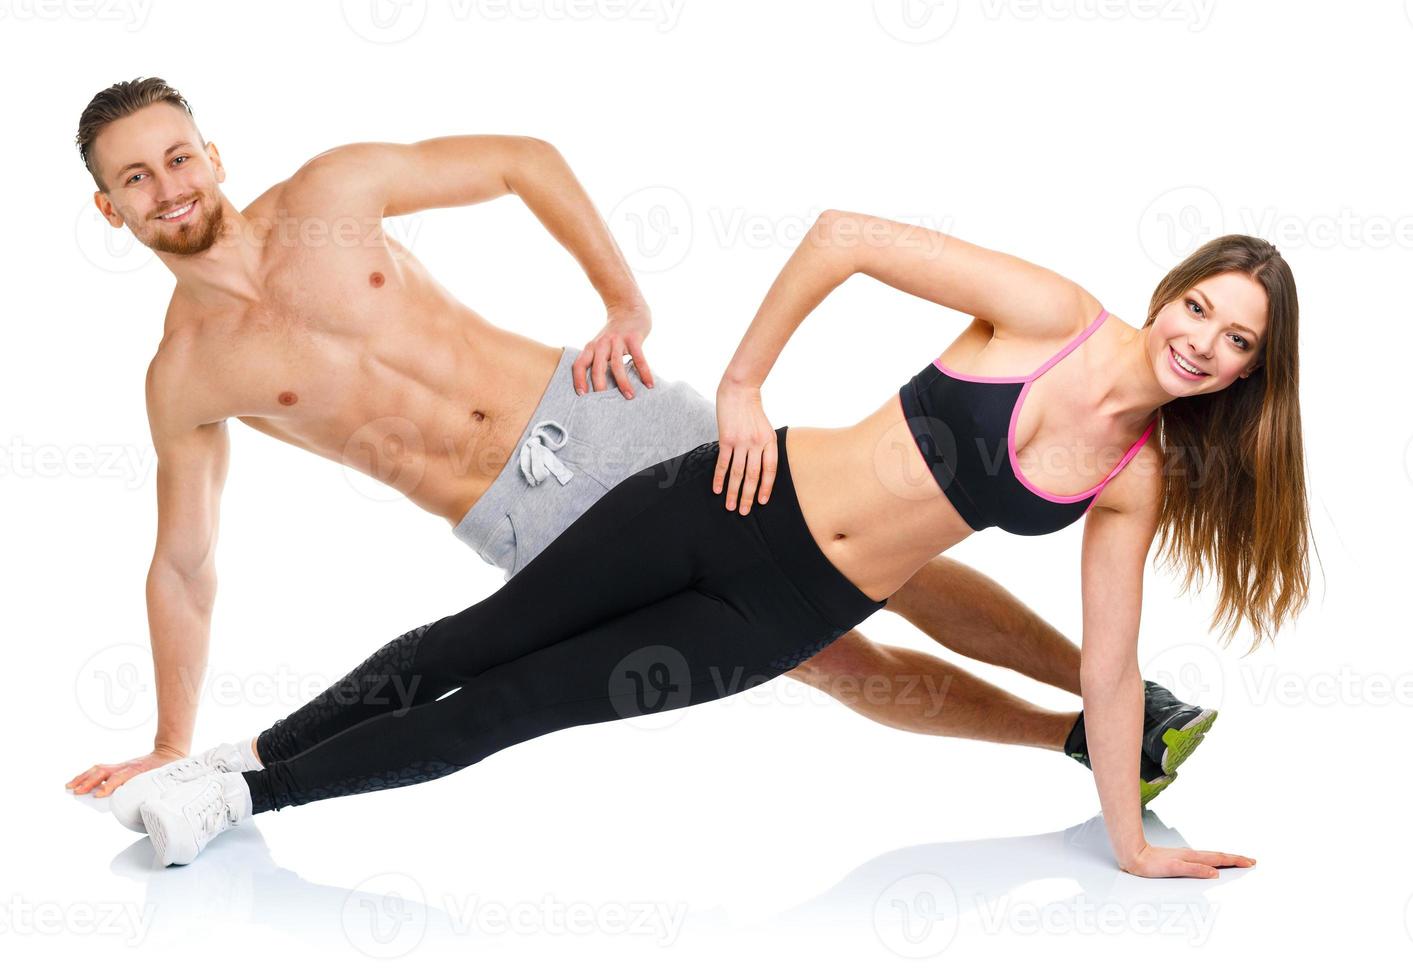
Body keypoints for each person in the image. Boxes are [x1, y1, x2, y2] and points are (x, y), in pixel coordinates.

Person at [66, 78, 1211, 811]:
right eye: (136, 176)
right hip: (516, 518)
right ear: (111, 210)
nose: (168, 185)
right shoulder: (185, 377)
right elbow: (185, 561)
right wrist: (173, 736)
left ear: (211, 149)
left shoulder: (332, 191)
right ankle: (1073, 736)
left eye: (177, 155)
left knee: (886, 563)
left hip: (603, 412)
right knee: (828, 659)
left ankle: (1115, 694)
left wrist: (622, 304)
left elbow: (523, 158)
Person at [117, 208, 1308, 878]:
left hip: (776, 617)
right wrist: (744, 385)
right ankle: (243, 750)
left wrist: (1126, 843)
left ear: (1250, 374)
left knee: (517, 703)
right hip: (730, 492)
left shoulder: (1131, 480)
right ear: (1171, 292)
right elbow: (842, 235)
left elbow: (1109, 664)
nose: (1202, 340)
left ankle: (247, 797)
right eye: (1200, 306)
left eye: (1236, 341)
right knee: (480, 636)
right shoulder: (1053, 314)